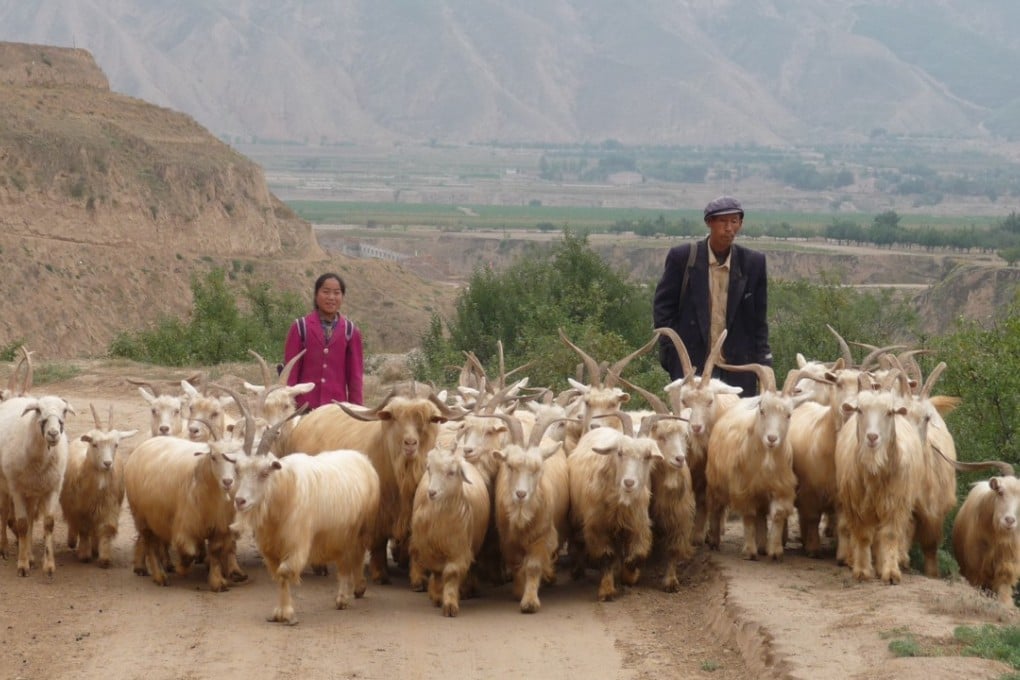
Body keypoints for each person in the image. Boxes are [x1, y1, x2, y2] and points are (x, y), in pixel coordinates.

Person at [652, 195, 772, 396]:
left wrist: (764, 363)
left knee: (736, 425)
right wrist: (672, 354)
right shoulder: (684, 258)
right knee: (692, 422)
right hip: (692, 366)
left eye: (734, 221)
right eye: (723, 221)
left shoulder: (753, 263)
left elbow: (759, 321)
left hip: (738, 367)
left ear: (741, 224)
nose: (729, 228)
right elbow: (663, 310)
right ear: (709, 223)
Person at [283, 272, 364, 409]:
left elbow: (355, 378)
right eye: (326, 292)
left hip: (335, 410)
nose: (331, 297)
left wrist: (357, 411)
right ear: (316, 295)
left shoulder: (350, 331)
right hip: (304, 408)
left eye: (336, 293)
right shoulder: (300, 327)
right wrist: (288, 407)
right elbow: (290, 373)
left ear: (342, 297)